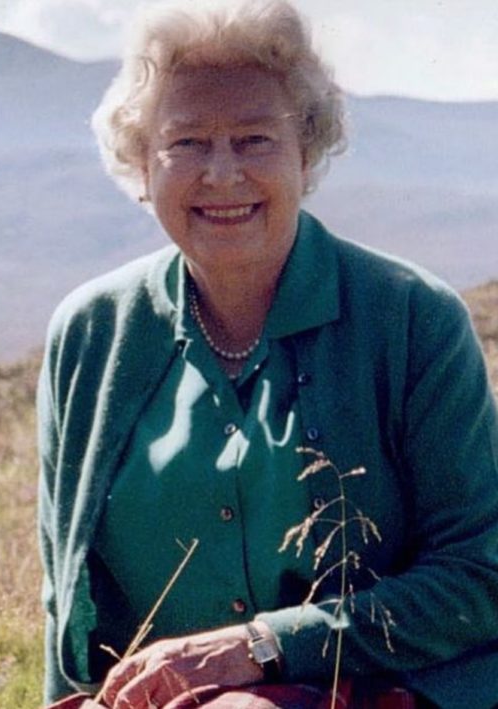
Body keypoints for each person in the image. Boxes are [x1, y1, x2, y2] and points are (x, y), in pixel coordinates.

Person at [36, 1, 498, 708]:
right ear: (140, 162)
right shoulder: (89, 334)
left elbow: (479, 574)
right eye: (187, 142)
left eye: (254, 139)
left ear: (306, 153)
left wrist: (265, 646)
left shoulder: (413, 318)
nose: (222, 175)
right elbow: (63, 595)